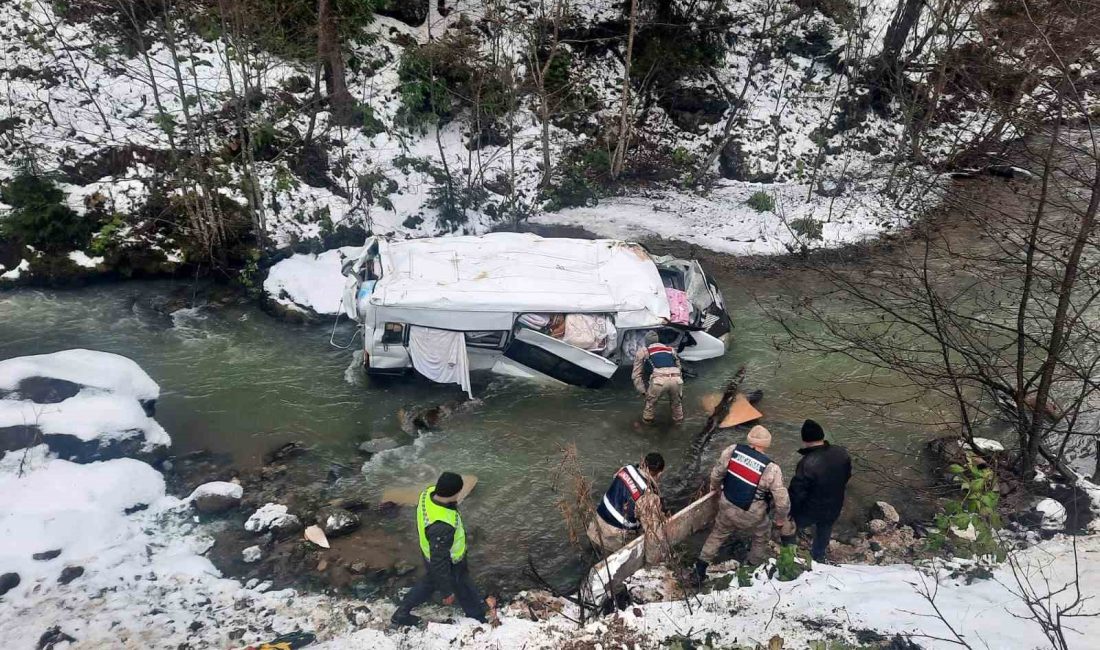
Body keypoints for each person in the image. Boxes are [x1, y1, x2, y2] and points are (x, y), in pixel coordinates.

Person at [392, 472, 493, 627]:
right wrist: (447, 592)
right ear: (455, 493)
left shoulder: (428, 493)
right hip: (449, 560)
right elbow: (440, 561)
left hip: (428, 552)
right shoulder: (442, 526)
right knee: (461, 585)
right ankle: (477, 618)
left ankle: (402, 612)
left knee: (430, 582)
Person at [692, 425, 790, 584]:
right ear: (766, 444)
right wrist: (780, 520)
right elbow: (782, 501)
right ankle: (751, 569)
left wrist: (714, 489)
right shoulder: (772, 469)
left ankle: (700, 569)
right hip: (752, 514)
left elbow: (717, 474)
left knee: (717, 534)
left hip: (727, 504)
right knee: (761, 537)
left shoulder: (732, 450)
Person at [788, 419, 851, 562]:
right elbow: (847, 476)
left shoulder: (807, 463)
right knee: (825, 529)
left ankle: (790, 553)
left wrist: (790, 512)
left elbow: (797, 492)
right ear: (823, 437)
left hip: (811, 509)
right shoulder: (841, 453)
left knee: (793, 527)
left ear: (805, 440)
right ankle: (819, 556)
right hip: (834, 505)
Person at [587, 453, 667, 558]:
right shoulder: (648, 496)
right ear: (659, 474)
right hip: (611, 542)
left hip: (594, 528)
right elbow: (653, 535)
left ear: (643, 463)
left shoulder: (625, 469)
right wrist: (653, 563)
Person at [632, 330, 684, 424]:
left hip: (658, 382)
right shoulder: (670, 349)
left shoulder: (643, 351)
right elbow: (679, 367)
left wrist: (643, 391)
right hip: (677, 379)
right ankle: (678, 426)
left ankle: (647, 429)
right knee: (677, 406)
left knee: (650, 406)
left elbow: (636, 375)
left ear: (646, 342)